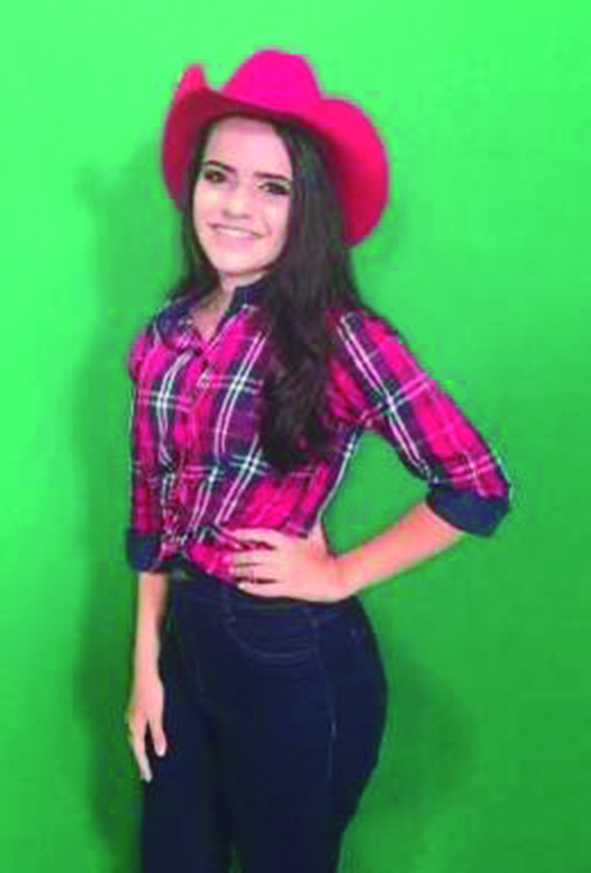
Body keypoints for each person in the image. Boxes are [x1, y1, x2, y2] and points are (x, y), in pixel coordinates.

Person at [124, 49, 513, 873]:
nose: (236, 205)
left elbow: (475, 483)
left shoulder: (338, 336)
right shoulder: (162, 336)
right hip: (185, 651)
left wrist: (338, 574)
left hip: (293, 662)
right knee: (172, 857)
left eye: (273, 187)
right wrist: (145, 665)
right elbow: (151, 512)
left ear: (308, 209)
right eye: (219, 176)